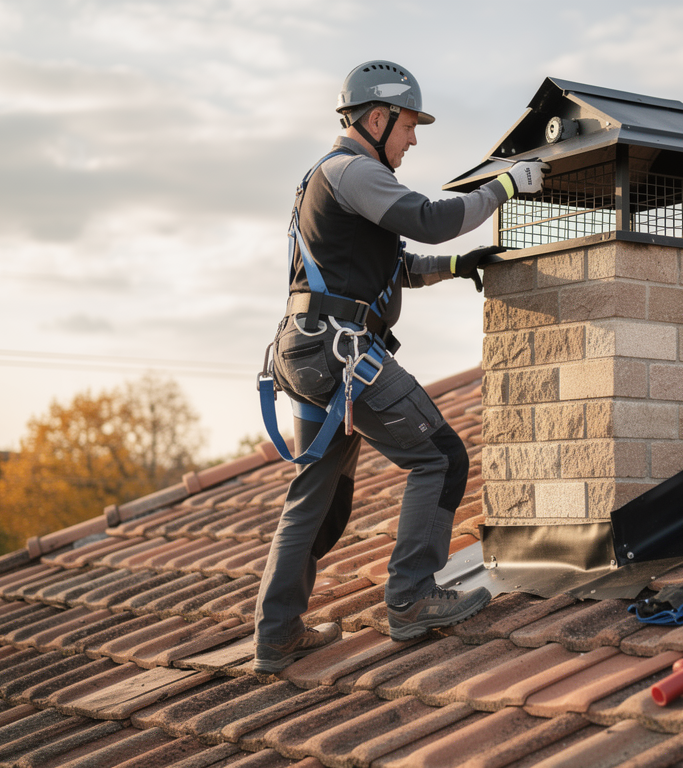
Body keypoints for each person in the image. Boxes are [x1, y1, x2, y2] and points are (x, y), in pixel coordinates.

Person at [252, 60, 547, 674]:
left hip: (307, 350)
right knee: (440, 457)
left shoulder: (328, 181)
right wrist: (508, 186)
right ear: (378, 118)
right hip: (338, 354)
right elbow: (429, 221)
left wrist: (461, 268)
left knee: (319, 497)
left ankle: (276, 637)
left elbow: (394, 264)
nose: (413, 139)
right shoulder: (354, 170)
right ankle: (411, 599)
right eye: (409, 126)